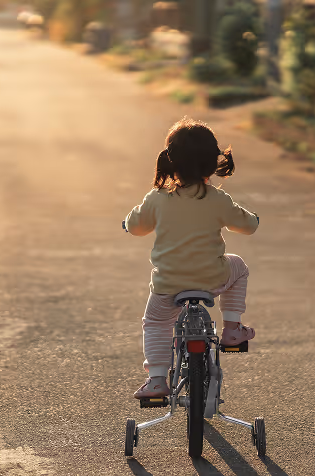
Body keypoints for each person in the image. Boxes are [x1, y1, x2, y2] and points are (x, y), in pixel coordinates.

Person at [124, 117, 259, 399]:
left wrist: (126, 223)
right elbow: (247, 225)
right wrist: (254, 219)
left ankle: (157, 379)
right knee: (239, 266)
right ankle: (232, 328)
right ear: (213, 162)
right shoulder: (218, 199)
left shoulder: (157, 198)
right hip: (213, 277)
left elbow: (136, 227)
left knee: (157, 324)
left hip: (167, 284)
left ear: (170, 161)